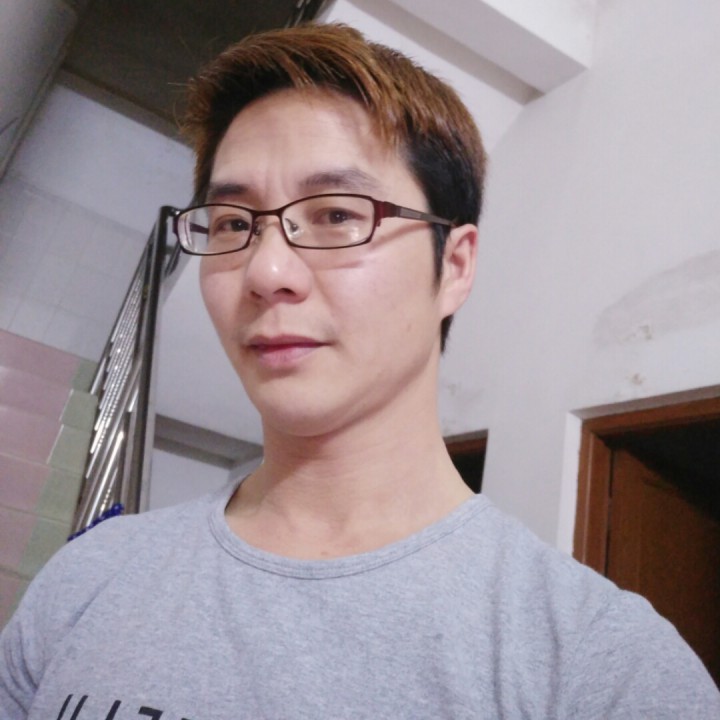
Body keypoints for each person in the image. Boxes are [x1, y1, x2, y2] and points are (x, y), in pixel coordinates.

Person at [1, 22, 718, 720]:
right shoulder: (88, 580)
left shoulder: (599, 668)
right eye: (232, 224)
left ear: (454, 266)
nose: (267, 272)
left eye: (338, 216)